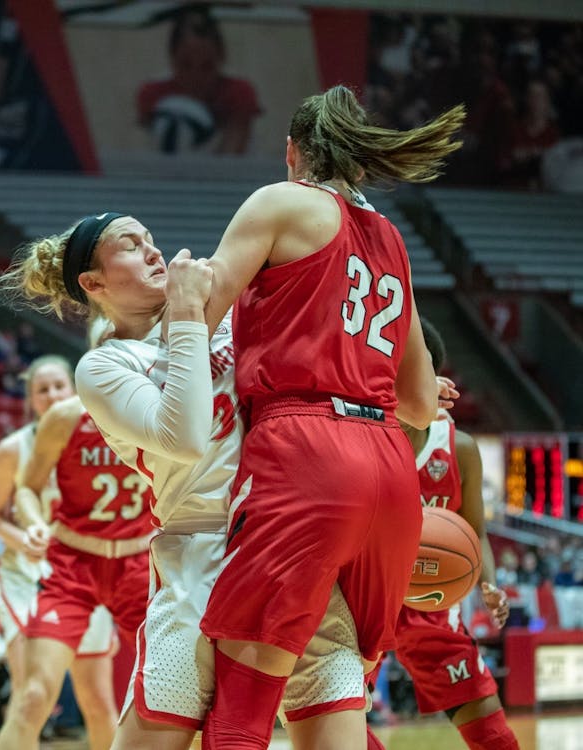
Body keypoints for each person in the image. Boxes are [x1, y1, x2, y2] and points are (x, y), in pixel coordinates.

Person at [0, 213, 384, 750]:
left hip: (289, 539)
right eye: (131, 245)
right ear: (93, 283)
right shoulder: (105, 365)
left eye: (152, 237)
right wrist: (185, 314)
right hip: (201, 553)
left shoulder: (217, 314)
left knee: (337, 728)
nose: (154, 250)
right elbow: (184, 437)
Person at [186, 85, 462, 749]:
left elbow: (202, 310)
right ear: (361, 165)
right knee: (333, 695)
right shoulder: (391, 240)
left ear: (290, 152)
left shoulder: (280, 202)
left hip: (306, 451)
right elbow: (423, 403)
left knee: (242, 707)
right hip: (391, 470)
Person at [368, 321, 518, 750]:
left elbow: (476, 533)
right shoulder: (369, 432)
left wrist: (488, 583)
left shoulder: (460, 448)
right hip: (370, 596)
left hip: (432, 601)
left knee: (494, 736)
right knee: (339, 723)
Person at [0, 384, 155, 750]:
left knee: (159, 694)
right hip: (70, 563)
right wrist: (32, 526)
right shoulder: (63, 418)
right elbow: (23, 492)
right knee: (32, 694)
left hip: (138, 560)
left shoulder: (155, 406)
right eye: (40, 388)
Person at [0, 354, 115, 696]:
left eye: (59, 386)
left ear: (74, 388)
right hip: (28, 575)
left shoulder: (102, 439)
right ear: (30, 399)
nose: (53, 395)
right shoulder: (11, 449)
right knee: (32, 694)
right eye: (42, 390)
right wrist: (22, 538)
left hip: (81, 571)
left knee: (98, 698)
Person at [137, 6, 261, 155]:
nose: (195, 76)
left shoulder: (238, 92)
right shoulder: (154, 95)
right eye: (185, 64)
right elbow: (151, 150)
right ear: (172, 59)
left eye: (207, 66)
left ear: (221, 58)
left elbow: (232, 155)